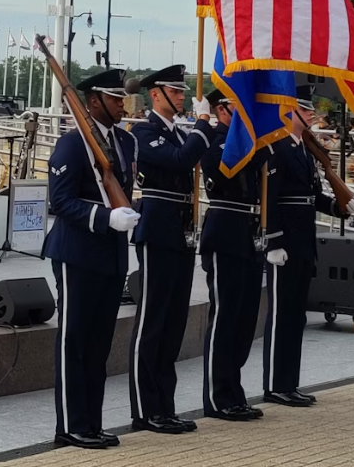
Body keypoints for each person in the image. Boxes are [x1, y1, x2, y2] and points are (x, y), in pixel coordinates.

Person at [44, 69, 140, 450]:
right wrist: (105, 217)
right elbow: (61, 201)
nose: (122, 104)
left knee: (99, 344)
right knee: (76, 341)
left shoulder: (126, 142)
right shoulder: (73, 144)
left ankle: (92, 423)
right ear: (94, 101)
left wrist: (130, 213)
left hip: (111, 256)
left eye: (122, 98)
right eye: (115, 98)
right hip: (77, 254)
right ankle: (71, 425)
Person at [263, 85, 354, 406]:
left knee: (296, 317)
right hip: (285, 244)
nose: (311, 115)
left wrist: (339, 206)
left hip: (305, 241)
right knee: (282, 315)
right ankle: (275, 385)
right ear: (289, 112)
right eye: (305, 110)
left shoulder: (305, 150)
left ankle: (289, 383)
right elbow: (270, 198)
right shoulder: (276, 147)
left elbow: (311, 196)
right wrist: (273, 240)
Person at [128, 64, 212, 435]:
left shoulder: (178, 133)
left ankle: (165, 404)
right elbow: (180, 161)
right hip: (158, 228)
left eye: (181, 92)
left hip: (180, 231)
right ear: (155, 94)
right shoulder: (144, 132)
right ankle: (146, 409)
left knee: (174, 322)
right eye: (175, 91)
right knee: (153, 320)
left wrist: (198, 130)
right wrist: (204, 123)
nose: (181, 97)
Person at [199, 89, 265, 422]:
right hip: (225, 232)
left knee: (244, 319)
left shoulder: (249, 141)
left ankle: (233, 391)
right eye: (238, 105)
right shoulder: (216, 141)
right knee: (225, 317)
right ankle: (217, 396)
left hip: (248, 232)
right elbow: (223, 168)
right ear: (222, 109)